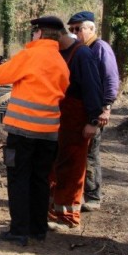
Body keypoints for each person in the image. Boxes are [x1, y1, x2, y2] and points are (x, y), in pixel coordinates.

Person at [0, 16, 70, 246]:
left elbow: (0, 77)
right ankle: (37, 229)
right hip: (49, 132)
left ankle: (18, 231)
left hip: (23, 131)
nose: (32, 36)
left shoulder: (30, 55)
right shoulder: (61, 61)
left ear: (40, 33)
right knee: (40, 180)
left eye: (33, 32)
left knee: (19, 179)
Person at [48, 25, 103, 229]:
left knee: (73, 170)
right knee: (58, 167)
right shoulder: (59, 52)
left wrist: (92, 121)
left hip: (77, 122)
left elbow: (92, 88)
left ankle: (69, 217)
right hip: (60, 121)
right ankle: (56, 213)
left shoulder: (82, 54)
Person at [67, 11, 119, 211]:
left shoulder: (100, 48)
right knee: (81, 152)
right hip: (81, 109)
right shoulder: (81, 50)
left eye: (78, 29)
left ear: (91, 29)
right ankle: (79, 194)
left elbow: (110, 79)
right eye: (71, 29)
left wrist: (105, 108)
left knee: (91, 153)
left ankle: (93, 196)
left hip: (95, 111)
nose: (74, 32)